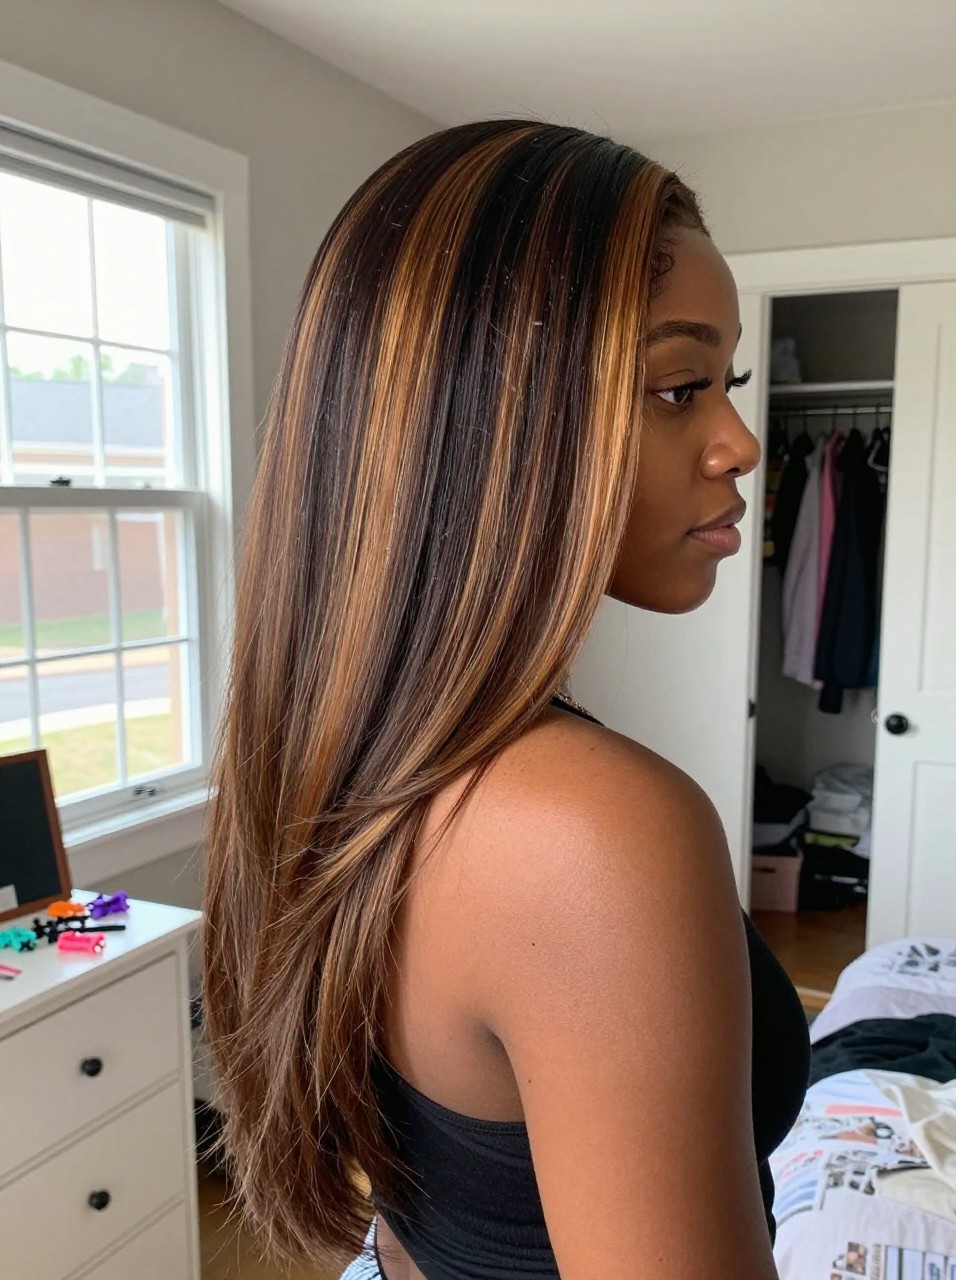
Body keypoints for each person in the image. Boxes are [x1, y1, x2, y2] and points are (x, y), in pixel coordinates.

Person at [202, 120, 811, 1280]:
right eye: (681, 386)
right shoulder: (593, 832)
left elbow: (420, 1208)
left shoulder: (343, 755)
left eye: (724, 382)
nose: (739, 442)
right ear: (489, 419)